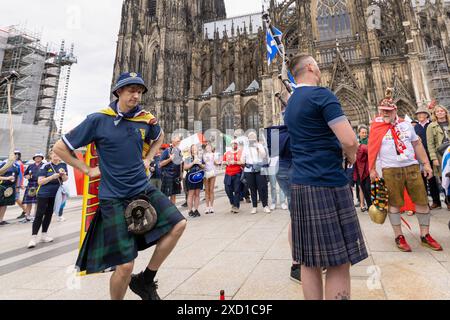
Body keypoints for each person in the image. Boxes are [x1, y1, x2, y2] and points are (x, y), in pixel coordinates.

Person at [53, 72, 187, 300]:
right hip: (113, 197)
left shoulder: (146, 119)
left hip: (142, 188)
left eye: (139, 92)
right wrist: (87, 169)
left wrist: (148, 158)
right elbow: (59, 148)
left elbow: (159, 135)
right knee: (124, 267)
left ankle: (145, 280)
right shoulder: (98, 119)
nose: (136, 96)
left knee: (179, 224)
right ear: (118, 92)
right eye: (131, 91)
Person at [285, 54, 368, 300]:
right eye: (317, 65)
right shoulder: (322, 95)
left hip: (301, 183)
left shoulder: (291, 102)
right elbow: (350, 139)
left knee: (308, 260)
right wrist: (353, 157)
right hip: (327, 182)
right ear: (311, 67)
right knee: (339, 260)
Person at [369, 89, 443, 253]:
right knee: (394, 204)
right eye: (383, 111)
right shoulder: (376, 127)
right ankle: (399, 236)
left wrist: (426, 163)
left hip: (411, 167)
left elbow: (417, 144)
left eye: (388, 111)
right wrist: (372, 169)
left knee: (422, 202)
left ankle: (425, 235)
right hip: (390, 170)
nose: (385, 114)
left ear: (395, 110)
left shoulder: (406, 125)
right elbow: (372, 149)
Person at [266, 123, 301, 283]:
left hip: (283, 167)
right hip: (292, 167)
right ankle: (297, 264)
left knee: (296, 215)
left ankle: (299, 261)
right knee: (298, 216)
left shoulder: (278, 131)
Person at [27, 150, 68, 248]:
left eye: (58, 154)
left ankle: (44, 235)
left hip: (56, 194)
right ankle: (33, 238)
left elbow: (66, 180)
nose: (56, 156)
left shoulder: (63, 165)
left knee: (49, 214)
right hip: (43, 194)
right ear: (50, 156)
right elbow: (40, 182)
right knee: (39, 214)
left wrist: (63, 175)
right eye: (54, 154)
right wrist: (52, 177)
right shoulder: (45, 166)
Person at [415, 106, 442, 210]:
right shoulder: (415, 127)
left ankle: (438, 201)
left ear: (427, 115)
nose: (420, 115)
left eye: (422, 113)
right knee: (423, 180)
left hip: (432, 155)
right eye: (418, 114)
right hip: (421, 157)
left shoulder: (431, 125)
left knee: (436, 178)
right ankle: (427, 202)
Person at [427, 104, 450, 209]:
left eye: (442, 111)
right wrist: (434, 158)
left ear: (445, 112)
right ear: (435, 114)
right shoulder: (431, 126)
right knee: (445, 179)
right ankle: (448, 201)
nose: (440, 113)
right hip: (441, 157)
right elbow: (430, 144)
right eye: (438, 111)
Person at [242, 132, 271, 214]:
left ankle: (265, 205)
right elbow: (242, 159)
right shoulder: (246, 148)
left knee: (262, 188)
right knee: (252, 188)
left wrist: (258, 147)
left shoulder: (259, 145)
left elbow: (264, 155)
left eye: (253, 136)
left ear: (255, 138)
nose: (252, 138)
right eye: (250, 137)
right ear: (248, 139)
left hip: (259, 169)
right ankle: (254, 206)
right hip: (249, 170)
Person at [160, 135, 183, 205]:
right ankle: (166, 212)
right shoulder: (167, 151)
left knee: (174, 195)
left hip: (176, 176)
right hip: (168, 176)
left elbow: (180, 163)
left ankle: (173, 212)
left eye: (179, 141)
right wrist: (170, 159)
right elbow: (160, 164)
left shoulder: (179, 151)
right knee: (166, 195)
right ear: (173, 141)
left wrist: (181, 174)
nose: (179, 142)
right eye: (177, 141)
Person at [22, 153, 45, 223]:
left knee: (37, 202)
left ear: (42, 158)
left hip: (40, 184)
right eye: (36, 157)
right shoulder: (30, 166)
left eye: (39, 157)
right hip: (31, 184)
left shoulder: (44, 165)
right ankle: (27, 216)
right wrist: (26, 176)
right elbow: (25, 174)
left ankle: (36, 217)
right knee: (28, 202)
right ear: (34, 158)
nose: (37, 158)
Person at [184, 144, 205, 218]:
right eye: (193, 148)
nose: (194, 150)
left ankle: (196, 209)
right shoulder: (188, 157)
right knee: (191, 194)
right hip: (190, 178)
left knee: (197, 194)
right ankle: (190, 210)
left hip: (198, 177)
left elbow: (204, 166)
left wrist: (199, 163)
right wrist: (193, 162)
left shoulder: (200, 157)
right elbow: (185, 167)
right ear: (191, 149)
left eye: (196, 148)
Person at [223, 140, 243, 214]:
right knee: (228, 190)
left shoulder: (240, 152)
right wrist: (225, 162)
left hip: (237, 173)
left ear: (237, 145)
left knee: (237, 190)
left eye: (235, 144)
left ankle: (236, 206)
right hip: (228, 173)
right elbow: (223, 162)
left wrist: (235, 162)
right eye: (232, 144)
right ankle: (232, 203)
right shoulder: (227, 153)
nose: (234, 145)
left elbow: (242, 162)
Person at [0, 160, 20, 226]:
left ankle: (1, 220)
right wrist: (7, 178)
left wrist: (17, 187)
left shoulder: (16, 166)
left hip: (10, 187)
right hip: (2, 186)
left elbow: (17, 177)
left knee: (5, 204)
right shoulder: (3, 164)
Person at [203, 143, 220, 214]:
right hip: (205, 173)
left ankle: (211, 206)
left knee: (211, 190)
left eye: (210, 147)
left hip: (213, 173)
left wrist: (215, 161)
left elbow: (217, 164)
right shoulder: (203, 155)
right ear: (206, 148)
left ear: (212, 148)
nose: (208, 148)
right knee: (206, 190)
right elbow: (202, 164)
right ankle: (207, 207)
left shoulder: (214, 154)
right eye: (207, 147)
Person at [14, 150, 27, 219]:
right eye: (15, 154)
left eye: (17, 154)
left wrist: (19, 184)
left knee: (16, 198)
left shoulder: (19, 163)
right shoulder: (11, 162)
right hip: (10, 183)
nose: (16, 155)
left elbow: (21, 175)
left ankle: (25, 211)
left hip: (16, 184)